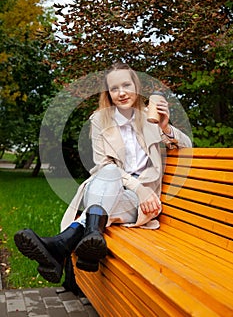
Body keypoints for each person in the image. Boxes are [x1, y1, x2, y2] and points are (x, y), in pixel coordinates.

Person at [14, 62, 192, 284]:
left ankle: (62, 246)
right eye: (114, 88)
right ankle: (89, 241)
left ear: (136, 86)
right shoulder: (99, 120)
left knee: (101, 204)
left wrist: (166, 128)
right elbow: (101, 166)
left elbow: (187, 147)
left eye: (126, 85)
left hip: (139, 202)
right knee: (108, 171)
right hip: (108, 186)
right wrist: (140, 188)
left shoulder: (150, 117)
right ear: (108, 93)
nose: (121, 92)